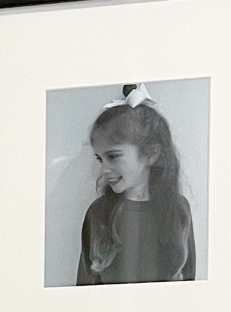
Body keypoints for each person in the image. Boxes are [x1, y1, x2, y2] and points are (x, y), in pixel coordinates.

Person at [77, 86, 196, 286]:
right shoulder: (98, 214)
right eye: (100, 158)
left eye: (113, 157)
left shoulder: (178, 209)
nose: (104, 170)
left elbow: (190, 281)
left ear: (150, 154)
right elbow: (85, 286)